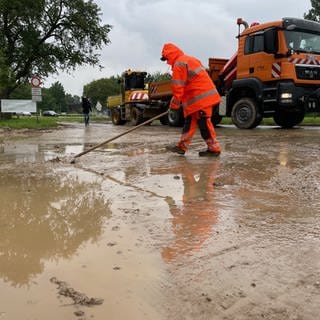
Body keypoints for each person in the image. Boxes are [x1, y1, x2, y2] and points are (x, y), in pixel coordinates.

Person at [160, 43, 221, 156]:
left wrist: (174, 105)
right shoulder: (188, 60)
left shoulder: (179, 64)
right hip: (197, 100)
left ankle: (214, 149)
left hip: (202, 99)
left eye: (166, 58)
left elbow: (178, 88)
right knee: (189, 123)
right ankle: (182, 147)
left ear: (170, 54)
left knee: (204, 124)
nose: (166, 61)